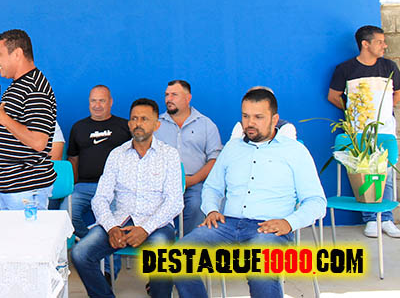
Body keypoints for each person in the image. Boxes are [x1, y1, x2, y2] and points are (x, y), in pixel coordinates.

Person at [175, 88, 326, 298]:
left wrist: (288, 223)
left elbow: (316, 201)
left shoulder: (294, 151)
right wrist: (211, 210)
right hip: (226, 225)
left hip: (269, 228)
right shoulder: (232, 148)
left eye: (258, 117)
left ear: (274, 119)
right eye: (245, 116)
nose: (250, 123)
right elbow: (212, 187)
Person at [71, 98, 181, 298]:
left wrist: (145, 229)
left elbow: (174, 202)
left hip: (156, 224)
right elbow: (100, 198)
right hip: (119, 221)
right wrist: (111, 227)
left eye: (144, 119)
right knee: (80, 253)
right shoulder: (117, 155)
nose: (138, 123)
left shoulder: (169, 155)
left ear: (156, 125)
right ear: (129, 124)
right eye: (134, 119)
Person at [328, 25, 400, 238]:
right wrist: (354, 113)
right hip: (359, 132)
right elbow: (333, 96)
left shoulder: (389, 66)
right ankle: (370, 219)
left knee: (386, 175)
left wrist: (385, 111)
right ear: (365, 44)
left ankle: (386, 219)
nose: (384, 46)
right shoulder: (346, 69)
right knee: (363, 174)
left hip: (385, 130)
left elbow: (397, 93)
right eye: (380, 42)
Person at [0, 29, 57, 210]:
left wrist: (3, 118)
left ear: (17, 54)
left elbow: (39, 141)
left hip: (26, 190)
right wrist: (2, 118)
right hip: (14, 189)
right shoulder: (20, 85)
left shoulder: (35, 88)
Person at [154, 80, 222, 233]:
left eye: (174, 95)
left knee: (197, 204)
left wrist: (193, 180)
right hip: (161, 186)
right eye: (166, 95)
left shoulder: (206, 124)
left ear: (187, 98)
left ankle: (188, 243)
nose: (168, 99)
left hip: (194, 184)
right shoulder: (156, 125)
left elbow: (214, 159)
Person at [66, 85, 130, 238]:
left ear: (111, 102)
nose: (97, 105)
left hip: (116, 188)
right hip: (84, 187)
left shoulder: (125, 127)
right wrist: (73, 185)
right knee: (67, 214)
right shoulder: (78, 127)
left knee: (116, 221)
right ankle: (91, 242)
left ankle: (102, 249)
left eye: (102, 101)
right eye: (93, 101)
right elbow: (73, 158)